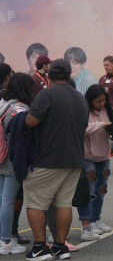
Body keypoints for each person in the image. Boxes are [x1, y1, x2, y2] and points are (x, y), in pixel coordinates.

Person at [22, 59, 88, 261]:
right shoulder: (79, 97)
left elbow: (30, 122)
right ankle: (61, 246)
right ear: (70, 75)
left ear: (49, 75)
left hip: (47, 159)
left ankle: (40, 247)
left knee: (35, 203)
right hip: (74, 158)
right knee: (63, 204)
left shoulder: (47, 93)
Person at [77, 84, 113, 241]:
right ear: (90, 100)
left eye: (104, 101)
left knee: (101, 190)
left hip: (105, 156)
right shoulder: (84, 111)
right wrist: (102, 124)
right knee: (89, 191)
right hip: (88, 157)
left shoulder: (108, 109)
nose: (101, 104)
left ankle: (97, 219)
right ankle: (89, 222)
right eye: (98, 101)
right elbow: (83, 128)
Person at [0, 74, 33, 255]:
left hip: (0, 154)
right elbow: (23, 133)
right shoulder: (20, 108)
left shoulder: (3, 102)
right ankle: (6, 240)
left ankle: (2, 238)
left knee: (2, 198)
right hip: (12, 157)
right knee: (8, 200)